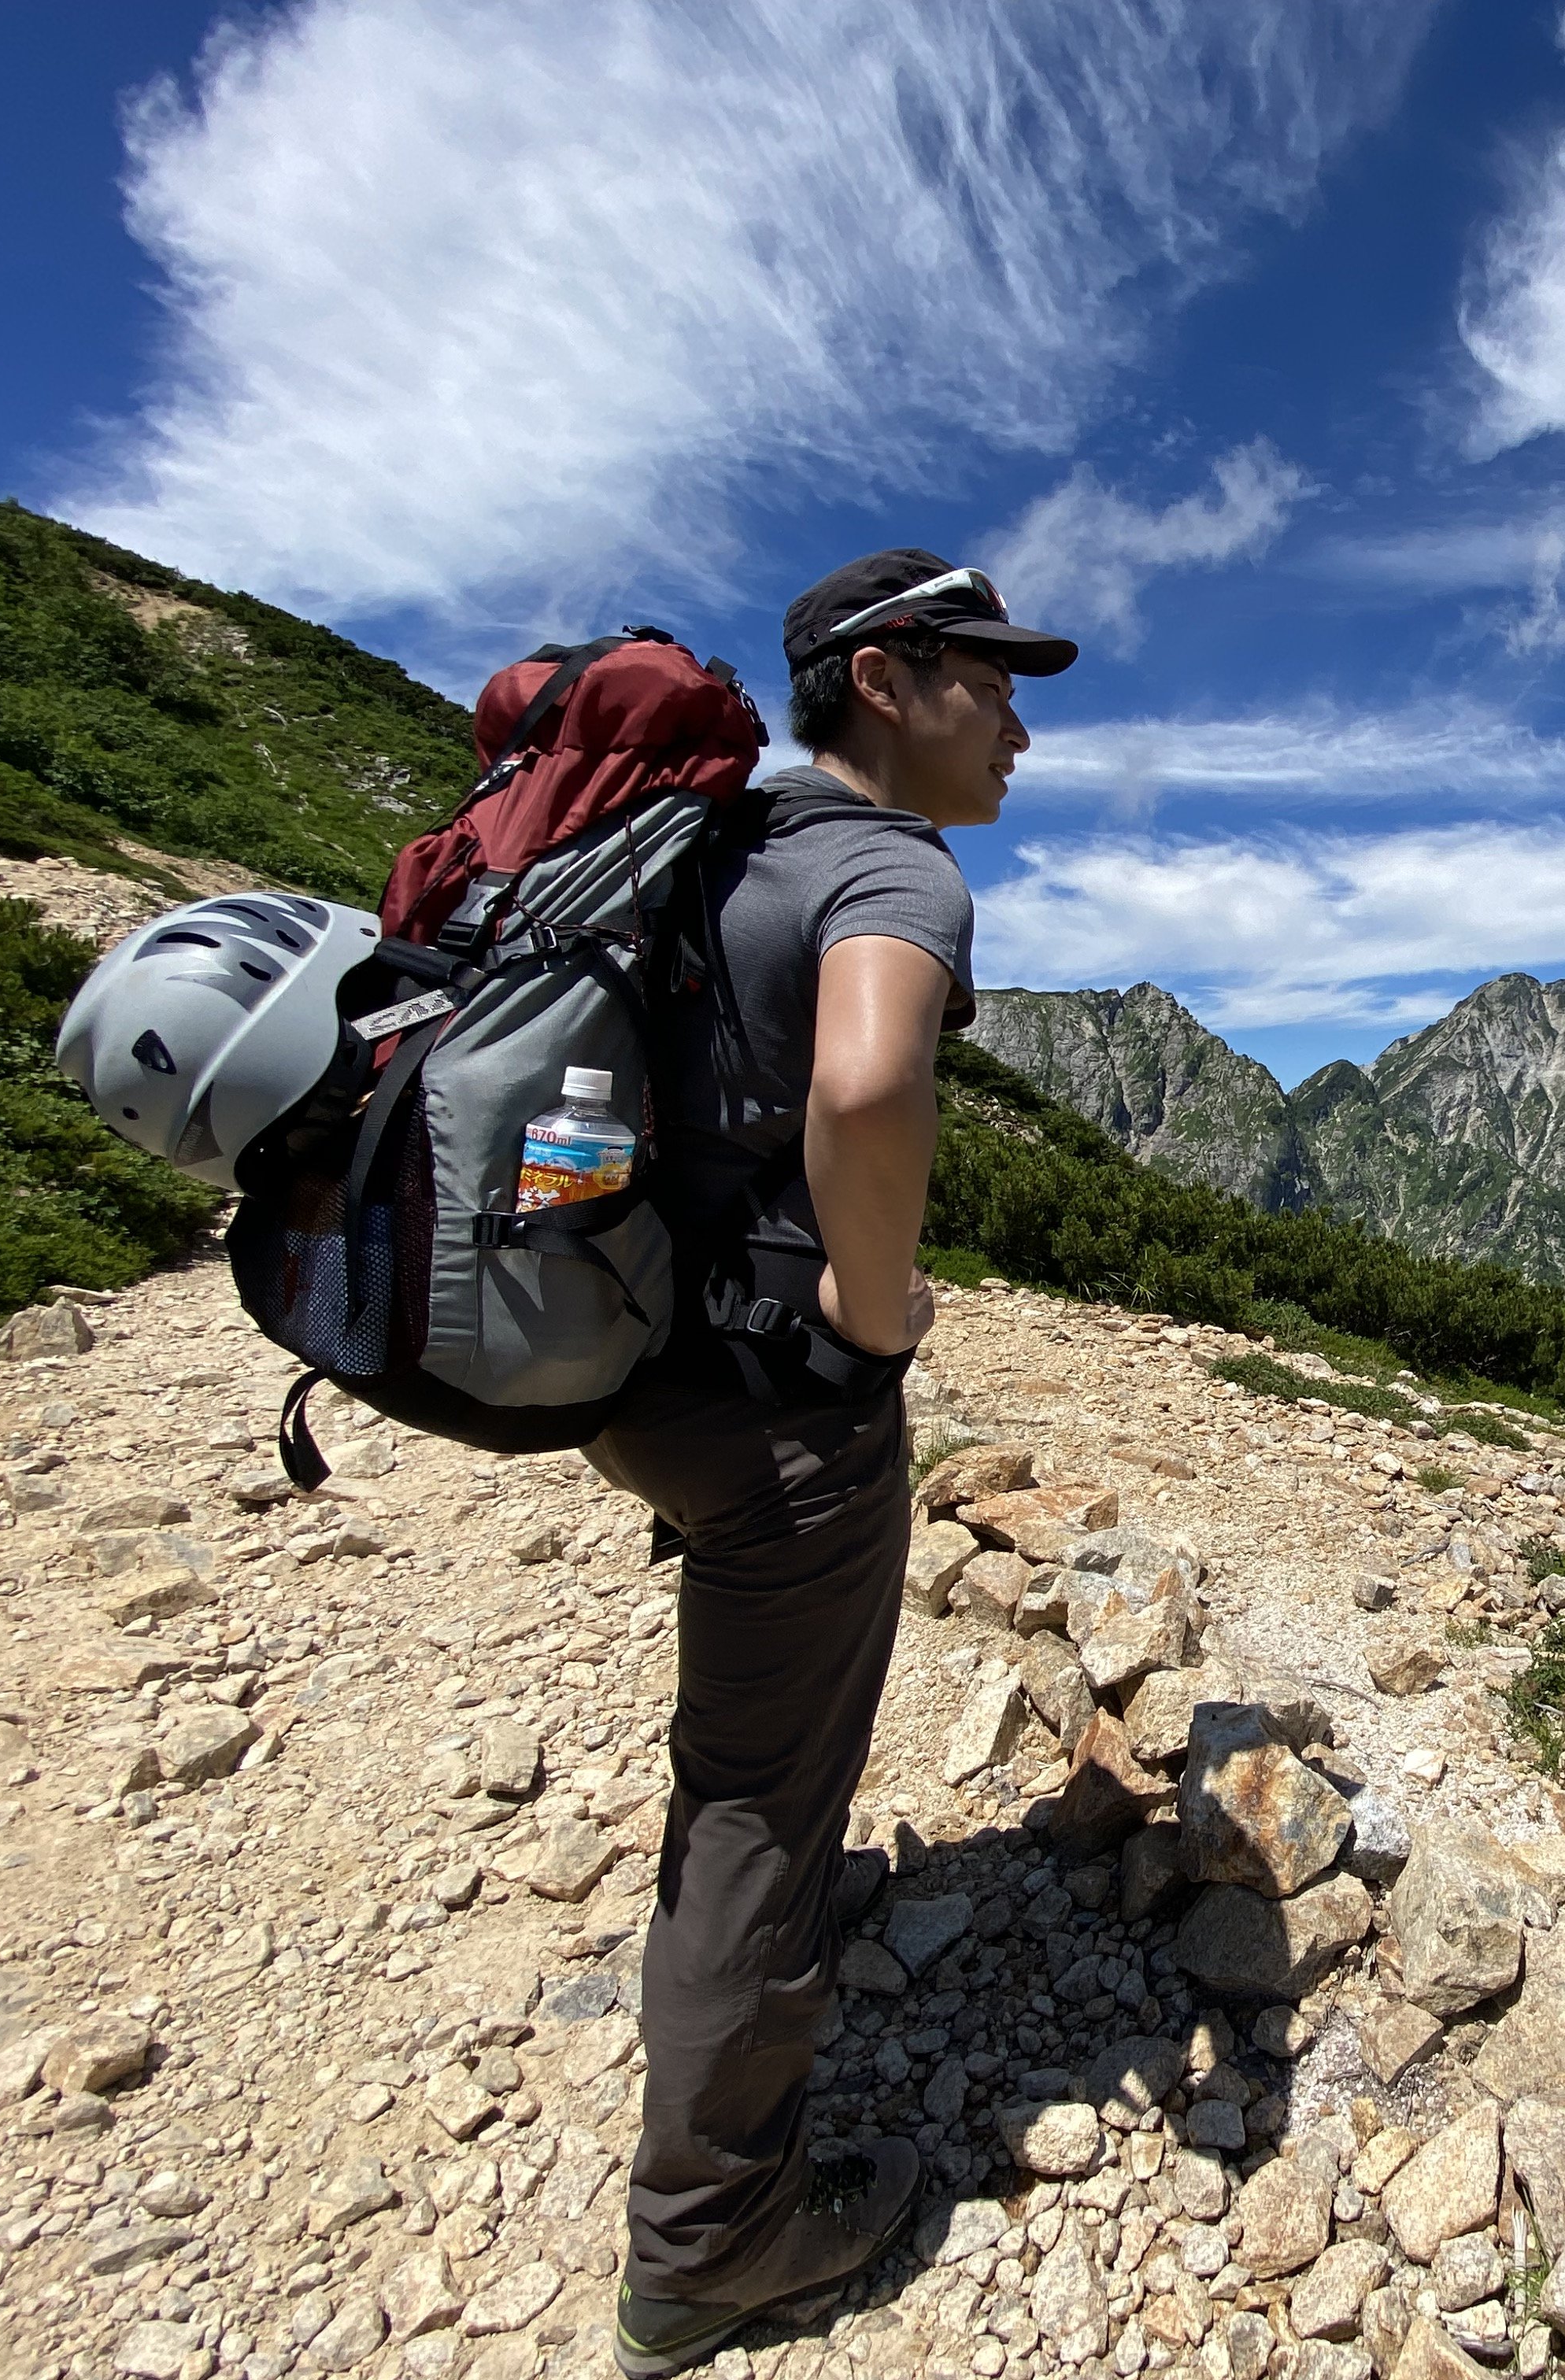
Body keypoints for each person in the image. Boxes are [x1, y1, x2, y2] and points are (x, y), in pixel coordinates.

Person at [585, 551, 1076, 2377]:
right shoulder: (891, 863)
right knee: (754, 1809)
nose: (1021, 719)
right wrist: (876, 1325)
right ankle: (712, 2247)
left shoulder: (724, 841)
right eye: (995, 679)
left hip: (636, 1364)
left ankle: (773, 1919)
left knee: (751, 1743)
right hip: (781, 1400)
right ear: (886, 676)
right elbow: (868, 1091)